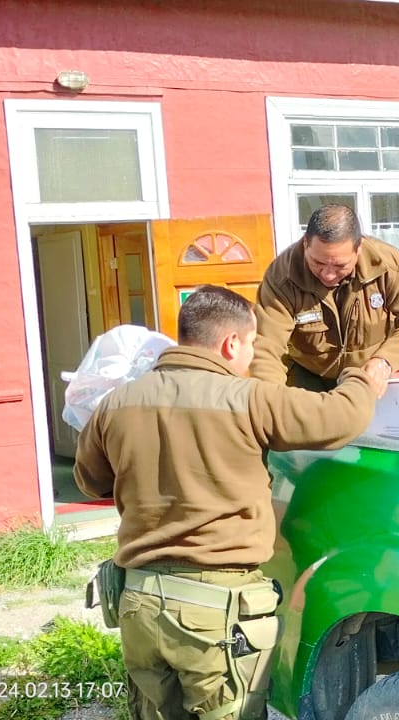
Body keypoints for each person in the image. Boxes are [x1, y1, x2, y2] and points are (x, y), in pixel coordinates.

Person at [74, 285, 379, 720]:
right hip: (216, 610)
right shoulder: (248, 399)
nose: (252, 356)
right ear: (230, 342)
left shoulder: (117, 403)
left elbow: (89, 481)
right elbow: (341, 417)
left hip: (139, 603)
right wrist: (362, 378)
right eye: (252, 344)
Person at [250, 203, 399, 395]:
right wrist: (271, 401)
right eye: (318, 262)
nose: (328, 275)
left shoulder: (387, 265)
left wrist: (385, 361)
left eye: (340, 265)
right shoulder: (282, 277)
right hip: (307, 375)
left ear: (359, 248)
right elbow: (266, 347)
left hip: (365, 375)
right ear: (306, 244)